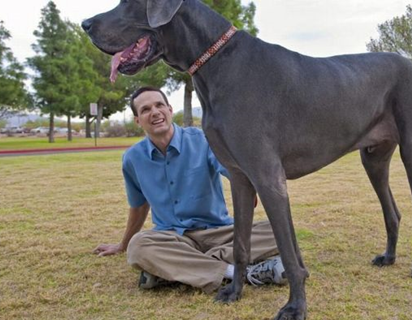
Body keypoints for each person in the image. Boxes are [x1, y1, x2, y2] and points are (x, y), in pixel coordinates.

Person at [93, 86, 285, 293]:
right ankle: (239, 272)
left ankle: (174, 270)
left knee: (280, 229)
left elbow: (230, 168)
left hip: (219, 232)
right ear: (137, 120)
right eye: (145, 109)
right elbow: (139, 207)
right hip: (173, 238)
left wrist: (250, 185)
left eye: (159, 105)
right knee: (138, 246)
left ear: (169, 109)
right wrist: (123, 245)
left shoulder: (203, 139)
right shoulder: (132, 159)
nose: (155, 112)